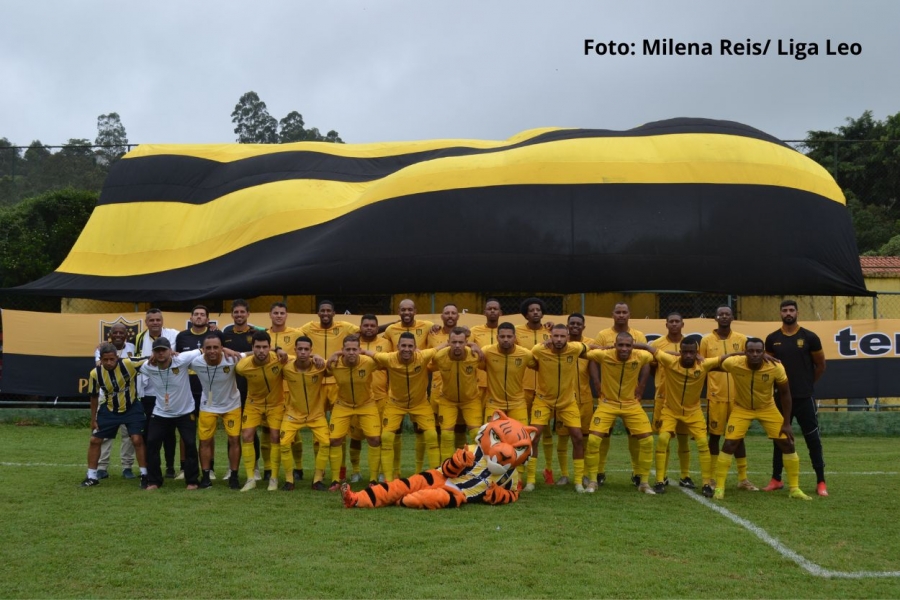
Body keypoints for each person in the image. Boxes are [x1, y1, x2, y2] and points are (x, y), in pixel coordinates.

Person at [714, 338, 811, 500]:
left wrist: (787, 423)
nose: (755, 354)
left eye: (759, 351)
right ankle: (719, 488)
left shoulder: (775, 367)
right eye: (750, 351)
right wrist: (737, 353)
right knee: (729, 443)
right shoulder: (734, 363)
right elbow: (715, 364)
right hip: (742, 408)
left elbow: (786, 394)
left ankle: (795, 489)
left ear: (764, 352)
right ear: (745, 352)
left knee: (787, 442)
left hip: (768, 408)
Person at [637, 338, 729, 497]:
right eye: (684, 352)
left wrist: (754, 354)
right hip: (670, 410)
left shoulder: (704, 364)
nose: (688, 355)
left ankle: (707, 483)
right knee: (663, 439)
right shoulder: (670, 361)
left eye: (691, 352)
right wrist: (615, 346)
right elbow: (647, 347)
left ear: (697, 353)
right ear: (680, 352)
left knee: (702, 442)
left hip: (693, 411)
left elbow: (725, 358)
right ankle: (660, 480)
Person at [764, 300, 828, 496]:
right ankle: (776, 479)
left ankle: (821, 481)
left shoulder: (810, 337)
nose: (788, 313)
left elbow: (821, 366)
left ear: (797, 312)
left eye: (791, 310)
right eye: (785, 310)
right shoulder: (772, 338)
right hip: (781, 399)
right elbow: (769, 367)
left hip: (803, 398)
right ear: (780, 313)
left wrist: (807, 384)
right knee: (780, 439)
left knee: (812, 439)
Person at [584, 332, 656, 494]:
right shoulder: (604, 355)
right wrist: (601, 347)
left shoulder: (641, 355)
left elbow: (659, 355)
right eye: (620, 345)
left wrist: (643, 346)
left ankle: (644, 483)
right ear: (614, 345)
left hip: (631, 404)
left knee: (648, 441)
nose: (624, 349)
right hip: (608, 403)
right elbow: (582, 351)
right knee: (594, 439)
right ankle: (593, 481)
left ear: (633, 346)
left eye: (628, 345)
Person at [363, 332, 438, 479]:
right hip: (395, 404)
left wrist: (472, 345)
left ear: (416, 347)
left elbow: (441, 347)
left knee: (432, 435)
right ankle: (389, 480)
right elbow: (367, 352)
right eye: (403, 345)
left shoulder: (422, 356)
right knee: (386, 437)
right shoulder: (389, 358)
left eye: (410, 346)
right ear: (397, 347)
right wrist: (337, 354)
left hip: (420, 403)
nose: (406, 349)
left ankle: (435, 477)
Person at [699, 306, 757, 491]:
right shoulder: (706, 340)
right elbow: (702, 366)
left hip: (738, 398)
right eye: (720, 314)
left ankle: (743, 479)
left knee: (738, 437)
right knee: (714, 437)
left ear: (732, 317)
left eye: (727, 314)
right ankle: (712, 477)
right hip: (716, 396)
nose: (724, 316)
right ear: (715, 317)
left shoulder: (741, 339)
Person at [526, 324, 589, 492]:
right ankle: (530, 481)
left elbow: (591, 348)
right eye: (556, 336)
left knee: (577, 436)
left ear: (568, 337)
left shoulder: (575, 348)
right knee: (534, 436)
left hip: (567, 401)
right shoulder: (539, 350)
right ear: (550, 336)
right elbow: (530, 361)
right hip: (543, 400)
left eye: (562, 336)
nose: (559, 339)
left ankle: (578, 482)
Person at [592, 302, 649, 486]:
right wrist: (597, 383)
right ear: (613, 314)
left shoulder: (638, 335)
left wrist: (641, 386)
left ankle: (637, 472)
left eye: (625, 312)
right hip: (608, 396)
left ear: (629, 314)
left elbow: (645, 360)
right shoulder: (603, 335)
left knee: (634, 434)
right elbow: (594, 357)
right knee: (604, 434)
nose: (621, 315)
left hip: (630, 397)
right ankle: (599, 472)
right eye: (618, 312)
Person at [80, 343, 149, 489]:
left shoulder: (128, 364)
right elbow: (93, 396)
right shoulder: (95, 373)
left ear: (117, 357)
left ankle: (145, 475)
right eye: (106, 360)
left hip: (132, 407)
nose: (109, 363)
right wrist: (93, 419)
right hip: (109, 409)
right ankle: (92, 476)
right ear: (101, 359)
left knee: (137, 439)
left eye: (112, 359)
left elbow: (149, 358)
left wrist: (169, 353)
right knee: (95, 440)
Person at [140, 337, 205, 490]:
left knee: (189, 444)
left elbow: (202, 349)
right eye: (157, 351)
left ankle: (192, 481)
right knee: (152, 443)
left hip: (185, 411)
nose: (161, 353)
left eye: (164, 350)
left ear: (171, 350)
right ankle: (154, 481)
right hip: (161, 412)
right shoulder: (147, 366)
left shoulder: (182, 359)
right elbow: (128, 362)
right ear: (153, 353)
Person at [479, 322, 537, 484]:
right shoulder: (487, 351)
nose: (505, 340)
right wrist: (473, 346)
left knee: (523, 443)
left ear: (515, 338)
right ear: (497, 337)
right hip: (494, 403)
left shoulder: (525, 354)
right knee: (489, 442)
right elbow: (473, 357)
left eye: (509, 336)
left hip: (518, 403)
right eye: (502, 336)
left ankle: (519, 479)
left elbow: (541, 364)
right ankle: (489, 478)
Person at [327, 335, 385, 486]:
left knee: (374, 439)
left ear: (360, 350)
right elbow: (322, 369)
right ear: (342, 351)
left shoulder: (368, 362)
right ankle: (335, 480)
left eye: (354, 349)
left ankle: (373, 479)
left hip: (366, 404)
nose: (351, 352)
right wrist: (333, 356)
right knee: (334, 440)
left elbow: (388, 361)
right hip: (343, 405)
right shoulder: (335, 364)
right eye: (348, 349)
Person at [383, 299, 434, 473]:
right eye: (403, 309)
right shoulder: (390, 330)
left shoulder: (428, 326)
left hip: (420, 381)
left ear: (415, 311)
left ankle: (421, 472)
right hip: (397, 384)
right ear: (398, 311)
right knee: (392, 433)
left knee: (422, 431)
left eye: (410, 309)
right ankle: (392, 474)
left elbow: (443, 339)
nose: (406, 312)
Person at [190, 333, 243, 490]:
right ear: (203, 349)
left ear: (221, 348)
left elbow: (255, 353)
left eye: (216, 347)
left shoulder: (232, 358)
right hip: (208, 405)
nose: (212, 351)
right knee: (205, 440)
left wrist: (278, 350)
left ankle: (234, 476)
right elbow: (175, 361)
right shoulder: (196, 362)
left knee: (234, 439)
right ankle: (206, 476)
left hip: (231, 405)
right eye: (209, 348)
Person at [648, 312, 695, 488]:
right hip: (664, 398)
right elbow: (653, 366)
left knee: (683, 438)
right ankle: (662, 476)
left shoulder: (690, 344)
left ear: (683, 324)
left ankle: (685, 475)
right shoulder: (658, 344)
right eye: (671, 322)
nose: (674, 324)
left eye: (677, 322)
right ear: (666, 324)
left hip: (685, 400)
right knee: (664, 437)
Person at [236, 330, 286, 492]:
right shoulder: (243, 366)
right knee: (247, 435)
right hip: (253, 404)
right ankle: (251, 478)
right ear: (253, 348)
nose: (261, 351)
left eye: (265, 347)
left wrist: (318, 358)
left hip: (275, 404)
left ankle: (274, 478)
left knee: (275, 436)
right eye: (258, 347)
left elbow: (302, 359)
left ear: (270, 347)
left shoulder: (279, 360)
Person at [280, 336, 332, 491]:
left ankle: (317, 480)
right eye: (300, 349)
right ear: (294, 350)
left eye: (306, 349)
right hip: (292, 414)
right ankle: (289, 480)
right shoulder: (286, 368)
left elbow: (334, 366)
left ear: (311, 351)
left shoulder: (320, 366)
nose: (303, 352)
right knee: (283, 444)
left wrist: (319, 358)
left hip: (316, 414)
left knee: (325, 443)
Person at [134, 309, 179, 479]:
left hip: (169, 392)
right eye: (151, 320)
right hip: (148, 393)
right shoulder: (139, 338)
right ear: (146, 322)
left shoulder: (174, 335)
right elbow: (135, 360)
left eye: (158, 319)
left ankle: (169, 467)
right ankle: (150, 467)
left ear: (162, 321)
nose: (155, 323)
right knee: (149, 434)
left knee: (169, 433)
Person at [221, 299, 263, 480]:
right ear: (232, 315)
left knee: (250, 430)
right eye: (236, 312)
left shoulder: (256, 334)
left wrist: (242, 354)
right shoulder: (226, 334)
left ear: (248, 314)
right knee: (233, 431)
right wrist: (224, 348)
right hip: (231, 388)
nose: (239, 315)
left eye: (242, 312)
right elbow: (217, 349)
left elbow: (263, 352)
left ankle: (255, 467)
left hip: (251, 388)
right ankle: (232, 468)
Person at [554, 313, 597, 487]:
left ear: (583, 326)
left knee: (583, 437)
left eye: (579, 324)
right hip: (564, 398)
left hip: (585, 397)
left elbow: (594, 363)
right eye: (572, 323)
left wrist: (596, 383)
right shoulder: (560, 343)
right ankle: (564, 474)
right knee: (563, 437)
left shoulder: (589, 343)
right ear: (567, 325)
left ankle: (584, 474)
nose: (575, 326)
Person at [515, 297, 555, 484]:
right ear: (526, 314)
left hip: (546, 389)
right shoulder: (516, 332)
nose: (535, 312)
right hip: (524, 387)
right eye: (531, 310)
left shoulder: (551, 331)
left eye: (538, 309)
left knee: (545, 432)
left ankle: (548, 470)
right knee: (524, 433)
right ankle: (520, 471)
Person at [429, 326, 483, 461]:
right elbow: (423, 364)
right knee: (446, 436)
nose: (457, 345)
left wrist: (477, 347)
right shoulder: (439, 357)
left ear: (466, 342)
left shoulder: (474, 355)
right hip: (448, 400)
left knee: (477, 434)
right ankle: (446, 470)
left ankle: (475, 468)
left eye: (461, 342)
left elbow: (491, 361)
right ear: (448, 342)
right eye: (454, 342)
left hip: (471, 399)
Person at [173, 305, 213, 480]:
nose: (199, 317)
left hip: (208, 387)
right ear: (190, 318)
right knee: (186, 431)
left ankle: (209, 468)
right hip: (187, 388)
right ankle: (184, 468)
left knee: (207, 431)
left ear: (207, 319)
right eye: (196, 314)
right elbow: (176, 358)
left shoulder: (213, 336)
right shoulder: (182, 336)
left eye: (202, 315)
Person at [265, 302, 304, 483]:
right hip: (270, 389)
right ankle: (268, 468)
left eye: (282, 313)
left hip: (290, 389)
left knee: (293, 432)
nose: (279, 316)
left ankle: (298, 467)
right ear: (270, 315)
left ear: (286, 315)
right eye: (276, 313)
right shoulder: (264, 335)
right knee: (267, 431)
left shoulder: (296, 334)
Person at [94, 323, 137, 480]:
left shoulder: (132, 346)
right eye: (115, 332)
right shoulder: (102, 349)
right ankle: (101, 467)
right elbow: (99, 364)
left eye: (122, 333)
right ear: (110, 334)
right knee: (105, 434)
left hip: (127, 397)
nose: (118, 335)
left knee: (129, 435)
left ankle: (127, 467)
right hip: (107, 397)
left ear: (126, 335)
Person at [355, 314, 392, 481]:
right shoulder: (353, 344)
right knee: (356, 438)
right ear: (360, 327)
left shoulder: (386, 343)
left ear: (377, 328)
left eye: (372, 325)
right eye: (366, 325)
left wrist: (390, 391)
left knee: (381, 437)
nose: (369, 328)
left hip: (381, 396)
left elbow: (392, 366)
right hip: (358, 399)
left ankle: (383, 472)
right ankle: (355, 471)